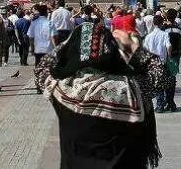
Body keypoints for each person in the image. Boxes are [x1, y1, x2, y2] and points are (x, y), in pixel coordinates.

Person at [35, 18, 166, 168]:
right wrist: (132, 48)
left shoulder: (61, 89)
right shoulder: (131, 88)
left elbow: (42, 67)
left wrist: (68, 42)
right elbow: (162, 76)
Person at [29, 4, 54, 93]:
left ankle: (39, 87)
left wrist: (31, 48)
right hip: (48, 49)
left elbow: (30, 37)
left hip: (38, 49)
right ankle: (46, 86)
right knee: (48, 68)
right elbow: (53, 37)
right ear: (47, 12)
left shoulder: (34, 22)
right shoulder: (50, 23)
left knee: (38, 68)